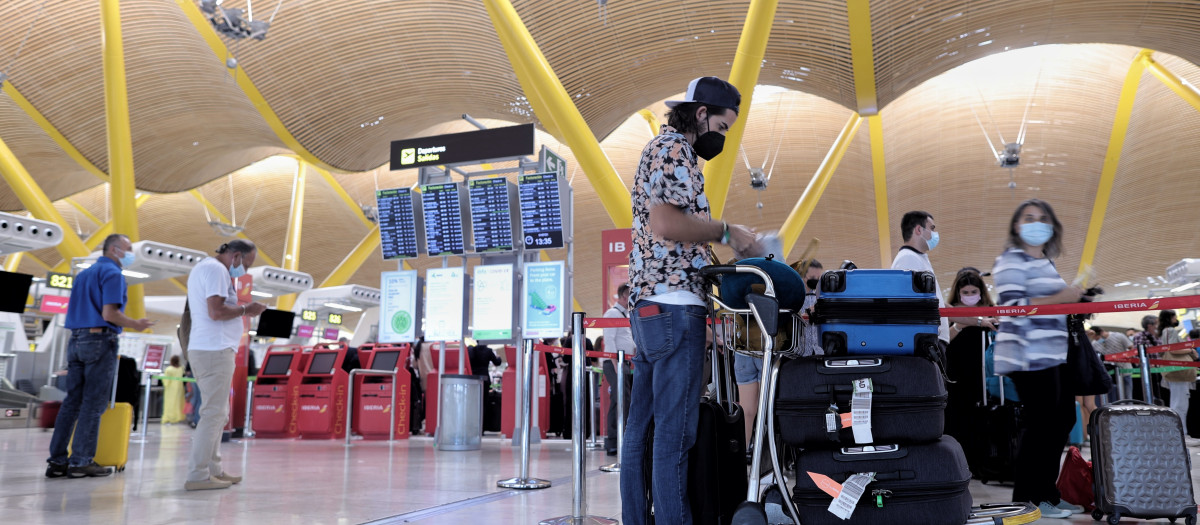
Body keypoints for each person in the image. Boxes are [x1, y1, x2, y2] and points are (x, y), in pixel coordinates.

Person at [621, 76, 762, 525]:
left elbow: (670, 231)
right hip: (675, 306)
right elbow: (667, 222)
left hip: (649, 305)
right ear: (700, 114)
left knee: (640, 432)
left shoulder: (657, 150)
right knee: (674, 437)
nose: (721, 137)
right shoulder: (674, 150)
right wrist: (727, 231)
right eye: (721, 126)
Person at [991, 198, 1085, 519]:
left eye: (1042, 218)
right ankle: (1029, 498)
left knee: (1061, 421)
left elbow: (1052, 302)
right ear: (1017, 226)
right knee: (1042, 424)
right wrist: (1064, 296)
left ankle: (1048, 493)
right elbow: (1015, 305)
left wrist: (1077, 299)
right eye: (1028, 218)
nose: (1036, 223)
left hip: (1053, 353)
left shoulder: (1045, 261)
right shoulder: (1010, 260)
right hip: (1027, 355)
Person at [46, 234, 155, 479]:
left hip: (75, 339)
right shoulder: (114, 274)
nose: (130, 254)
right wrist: (135, 323)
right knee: (93, 404)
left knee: (71, 402)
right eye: (127, 249)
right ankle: (81, 462)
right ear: (114, 250)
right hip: (99, 341)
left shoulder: (84, 274)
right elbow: (110, 314)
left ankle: (57, 461)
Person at [185, 240, 267, 491]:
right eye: (246, 263)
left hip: (211, 349)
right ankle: (198, 475)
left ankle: (213, 469)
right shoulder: (216, 270)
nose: (243, 270)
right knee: (212, 414)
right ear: (236, 256)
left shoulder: (207, 268)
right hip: (213, 350)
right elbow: (216, 312)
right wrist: (246, 310)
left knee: (218, 413)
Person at [944, 268, 998, 445]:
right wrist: (961, 325)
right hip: (955, 373)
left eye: (973, 292)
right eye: (965, 292)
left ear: (981, 292)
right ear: (958, 294)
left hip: (983, 373)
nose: (969, 295)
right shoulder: (949, 313)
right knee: (957, 416)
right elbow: (943, 341)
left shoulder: (992, 312)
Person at [602, 283, 635, 456]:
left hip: (625, 363)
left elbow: (628, 339)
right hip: (615, 363)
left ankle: (621, 439)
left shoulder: (625, 315)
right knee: (620, 399)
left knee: (624, 399)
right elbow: (610, 341)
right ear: (624, 296)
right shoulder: (612, 314)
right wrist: (616, 366)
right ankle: (613, 441)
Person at [1159, 310, 1196, 424]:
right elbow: (1174, 349)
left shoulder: (1164, 331)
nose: (1176, 319)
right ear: (1169, 318)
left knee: (1177, 401)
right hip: (1178, 370)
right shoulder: (1170, 330)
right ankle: (1181, 432)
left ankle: (1179, 431)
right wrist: (1191, 350)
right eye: (1174, 317)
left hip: (1173, 370)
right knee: (1180, 403)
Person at [1090, 326, 1133, 403]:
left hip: (1124, 370)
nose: (1096, 340)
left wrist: (1128, 357)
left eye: (1097, 337)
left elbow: (1131, 347)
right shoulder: (1094, 344)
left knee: (1127, 396)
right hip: (1108, 373)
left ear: (1102, 332)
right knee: (1112, 398)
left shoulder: (1118, 336)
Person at [1131, 315, 1162, 403]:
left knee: (1160, 394)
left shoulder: (1159, 336)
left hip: (1160, 369)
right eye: (1157, 323)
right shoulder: (1140, 336)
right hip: (1148, 370)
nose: (1159, 325)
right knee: (1146, 394)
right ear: (1150, 325)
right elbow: (1137, 353)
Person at [161, 355, 186, 424]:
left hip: (170, 389)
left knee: (170, 403)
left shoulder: (169, 369)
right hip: (180, 388)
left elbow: (166, 381)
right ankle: (178, 417)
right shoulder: (181, 368)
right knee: (178, 403)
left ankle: (169, 417)